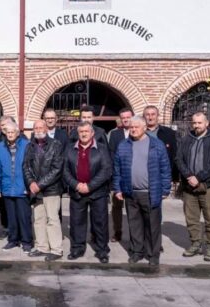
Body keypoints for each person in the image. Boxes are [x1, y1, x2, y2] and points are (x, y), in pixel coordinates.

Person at [113, 116, 171, 266]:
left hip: (150, 192)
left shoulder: (156, 145)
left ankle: (153, 254)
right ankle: (137, 252)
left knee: (152, 225)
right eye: (131, 127)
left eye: (136, 127)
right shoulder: (123, 145)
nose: (133, 129)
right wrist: (117, 189)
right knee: (134, 225)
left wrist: (165, 189)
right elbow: (117, 169)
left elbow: (165, 168)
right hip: (130, 192)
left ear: (145, 128)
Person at [175, 112, 210, 261]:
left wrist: (199, 177)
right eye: (194, 123)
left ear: (207, 123)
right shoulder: (187, 138)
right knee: (191, 218)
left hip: (208, 185)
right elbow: (178, 159)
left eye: (199, 123)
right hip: (189, 185)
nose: (196, 126)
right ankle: (195, 243)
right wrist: (189, 176)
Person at [64, 122, 113, 263]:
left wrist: (90, 186)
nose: (84, 134)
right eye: (81, 132)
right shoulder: (70, 148)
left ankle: (102, 250)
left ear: (92, 133)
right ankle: (77, 248)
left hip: (98, 192)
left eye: (86, 131)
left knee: (100, 222)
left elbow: (106, 170)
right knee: (76, 222)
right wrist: (76, 184)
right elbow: (65, 170)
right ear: (78, 133)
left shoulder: (102, 148)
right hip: (77, 192)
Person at [23, 119, 65, 261]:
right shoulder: (30, 146)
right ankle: (42, 247)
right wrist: (31, 182)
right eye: (36, 128)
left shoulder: (56, 144)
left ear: (46, 129)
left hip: (51, 189)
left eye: (41, 127)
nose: (38, 130)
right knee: (38, 219)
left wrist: (40, 184)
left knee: (52, 219)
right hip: (36, 190)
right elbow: (25, 166)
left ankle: (56, 250)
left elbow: (57, 169)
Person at [0, 122, 32, 252]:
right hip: (7, 188)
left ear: (17, 133)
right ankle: (13, 240)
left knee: (24, 217)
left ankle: (26, 241)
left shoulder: (26, 145)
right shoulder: (0, 147)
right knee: (11, 217)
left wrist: (30, 185)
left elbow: (32, 166)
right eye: (7, 132)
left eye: (12, 132)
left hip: (22, 188)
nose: (10, 134)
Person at [107, 107, 133, 242]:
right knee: (116, 207)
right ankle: (117, 231)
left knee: (133, 208)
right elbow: (111, 154)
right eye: (123, 118)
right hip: (118, 177)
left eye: (128, 117)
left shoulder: (139, 132)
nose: (126, 120)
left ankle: (135, 234)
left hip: (134, 178)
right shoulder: (115, 134)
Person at [142, 105, 178, 184]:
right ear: (143, 117)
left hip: (162, 177)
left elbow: (174, 155)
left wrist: (174, 176)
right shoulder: (139, 133)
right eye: (147, 115)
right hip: (143, 176)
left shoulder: (169, 133)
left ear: (158, 116)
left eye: (153, 114)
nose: (150, 117)